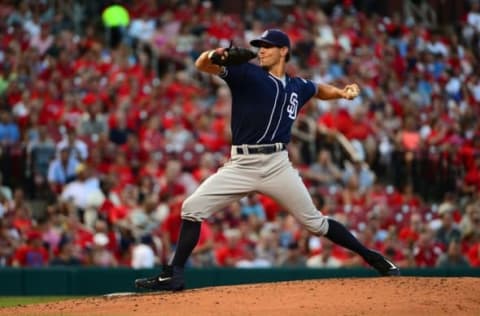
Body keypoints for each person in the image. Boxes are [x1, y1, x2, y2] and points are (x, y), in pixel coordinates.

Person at [135, 29, 400, 291]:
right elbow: (201, 64)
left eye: (268, 46)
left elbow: (319, 89)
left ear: (283, 51)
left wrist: (342, 92)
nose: (261, 50)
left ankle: (372, 257)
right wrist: (215, 54)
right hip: (242, 163)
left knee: (315, 223)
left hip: (277, 164)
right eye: (259, 45)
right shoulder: (246, 73)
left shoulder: (298, 86)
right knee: (191, 208)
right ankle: (175, 274)